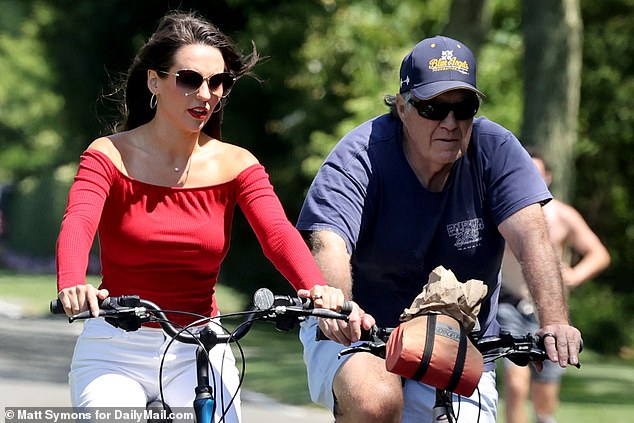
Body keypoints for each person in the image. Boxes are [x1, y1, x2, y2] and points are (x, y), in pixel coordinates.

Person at [55, 11, 345, 423]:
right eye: (189, 79)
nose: (205, 94)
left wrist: (316, 289)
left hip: (201, 347)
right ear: (155, 81)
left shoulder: (236, 163)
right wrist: (71, 283)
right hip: (115, 346)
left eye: (218, 82)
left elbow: (277, 234)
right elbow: (79, 221)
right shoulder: (108, 155)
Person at [296, 35, 583, 423]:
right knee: (375, 402)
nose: (449, 122)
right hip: (363, 331)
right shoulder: (360, 154)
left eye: (462, 107)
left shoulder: (495, 150)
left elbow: (533, 236)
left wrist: (555, 321)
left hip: (459, 335)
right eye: (432, 108)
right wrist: (340, 308)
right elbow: (329, 241)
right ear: (402, 107)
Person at [498, 148, 610, 423]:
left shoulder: (563, 216)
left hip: (548, 310)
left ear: (547, 177)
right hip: (508, 305)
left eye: (537, 174)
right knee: (515, 381)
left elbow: (599, 254)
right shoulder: (498, 209)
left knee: (544, 398)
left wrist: (575, 275)